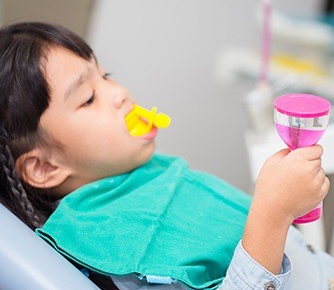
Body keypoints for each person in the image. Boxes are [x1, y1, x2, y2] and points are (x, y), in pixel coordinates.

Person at [0, 21, 333, 290]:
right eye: (88, 98)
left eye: (106, 76)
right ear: (43, 167)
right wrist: (272, 214)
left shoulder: (144, 176)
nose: (119, 94)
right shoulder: (114, 247)